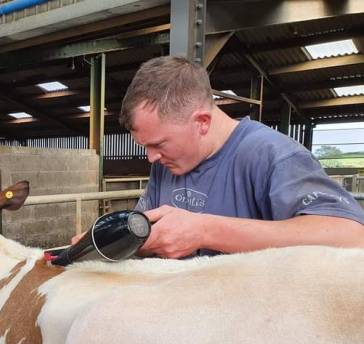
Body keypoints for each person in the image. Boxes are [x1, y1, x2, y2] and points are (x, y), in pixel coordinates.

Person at [98, 55, 364, 259]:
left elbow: (351, 235)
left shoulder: (273, 156)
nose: (151, 157)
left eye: (159, 144)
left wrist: (204, 231)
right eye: (145, 146)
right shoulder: (166, 165)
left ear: (202, 122)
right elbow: (147, 233)